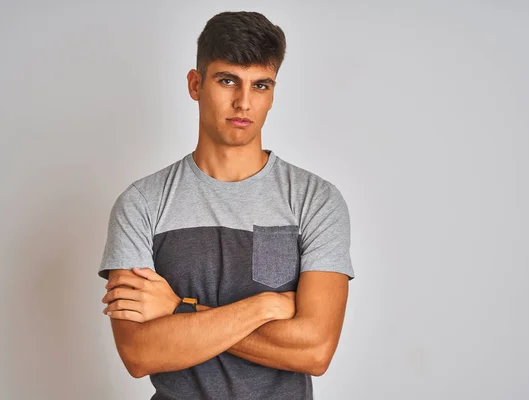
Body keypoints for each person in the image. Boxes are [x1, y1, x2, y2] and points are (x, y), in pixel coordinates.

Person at [98, 10, 355, 400]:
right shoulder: (141, 204)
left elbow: (315, 350)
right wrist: (266, 306)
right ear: (195, 84)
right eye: (228, 80)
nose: (244, 102)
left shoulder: (314, 200)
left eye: (261, 85)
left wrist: (178, 311)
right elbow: (139, 353)